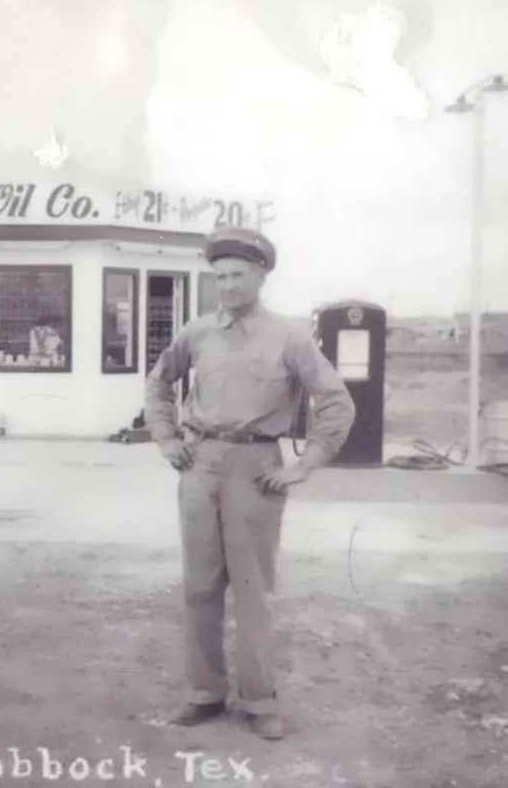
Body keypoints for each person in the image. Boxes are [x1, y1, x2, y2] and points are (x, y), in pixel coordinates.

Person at [142, 226, 355, 740]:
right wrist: (167, 439)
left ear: (260, 275)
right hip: (199, 465)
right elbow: (159, 383)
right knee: (199, 588)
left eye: (238, 275)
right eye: (220, 277)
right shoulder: (196, 333)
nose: (229, 286)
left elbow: (336, 401)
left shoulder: (290, 337)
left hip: (256, 468)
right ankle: (204, 693)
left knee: (253, 591)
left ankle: (260, 701)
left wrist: (304, 465)